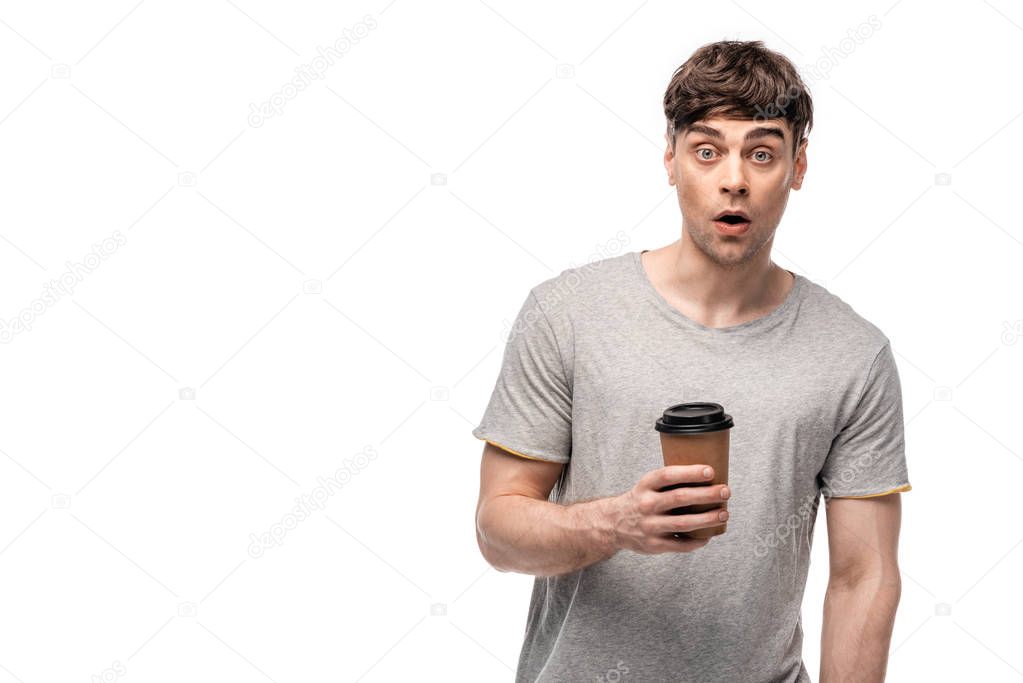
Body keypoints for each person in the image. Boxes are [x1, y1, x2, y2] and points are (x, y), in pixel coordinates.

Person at [472, 39, 911, 682]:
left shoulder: (852, 355)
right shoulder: (566, 315)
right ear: (671, 160)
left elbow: (861, 576)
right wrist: (614, 523)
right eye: (708, 151)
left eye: (762, 153)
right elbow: (497, 531)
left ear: (798, 166)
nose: (734, 178)